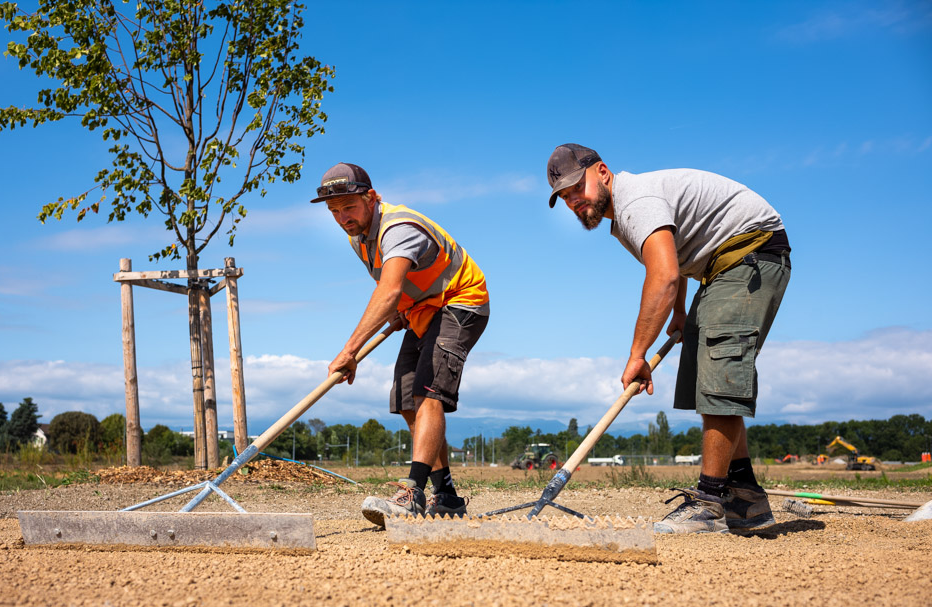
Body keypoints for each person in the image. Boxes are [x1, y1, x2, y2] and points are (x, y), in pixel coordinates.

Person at [546, 143, 791, 534]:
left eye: (578, 187)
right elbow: (671, 262)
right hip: (720, 267)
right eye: (565, 196)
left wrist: (637, 354)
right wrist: (678, 313)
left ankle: (709, 502)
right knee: (705, 379)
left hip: (750, 254)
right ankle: (745, 498)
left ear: (603, 171)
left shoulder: (635, 202)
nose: (574, 200)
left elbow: (663, 277)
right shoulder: (625, 216)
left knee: (720, 373)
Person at [311, 163, 490, 526]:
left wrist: (349, 351)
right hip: (422, 311)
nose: (343, 218)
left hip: (460, 302)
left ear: (371, 197)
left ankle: (413, 491)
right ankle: (449, 497)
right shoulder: (358, 235)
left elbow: (389, 288)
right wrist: (403, 311)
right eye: (334, 212)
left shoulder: (398, 229)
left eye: (349, 207)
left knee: (429, 394)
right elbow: (400, 289)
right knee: (408, 399)